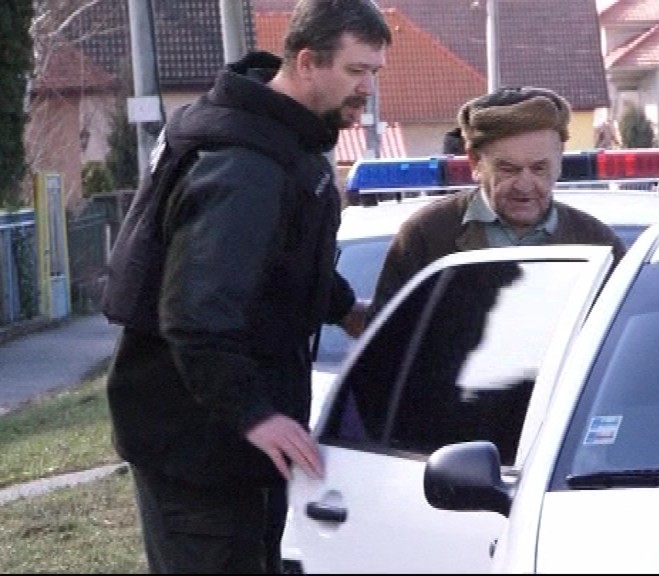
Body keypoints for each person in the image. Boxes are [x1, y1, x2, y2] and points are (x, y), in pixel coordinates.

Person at [99, 0, 391, 572]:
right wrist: (255, 414)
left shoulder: (276, 136)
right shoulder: (244, 164)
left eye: (374, 72)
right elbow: (196, 314)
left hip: (224, 443)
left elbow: (275, 261)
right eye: (356, 71)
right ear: (307, 62)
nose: (367, 89)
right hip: (198, 447)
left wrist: (342, 307)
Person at [369, 85, 627, 318]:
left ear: (559, 159)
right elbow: (387, 340)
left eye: (539, 168)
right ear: (475, 163)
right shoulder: (427, 234)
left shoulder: (597, 242)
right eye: (508, 169)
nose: (524, 185)